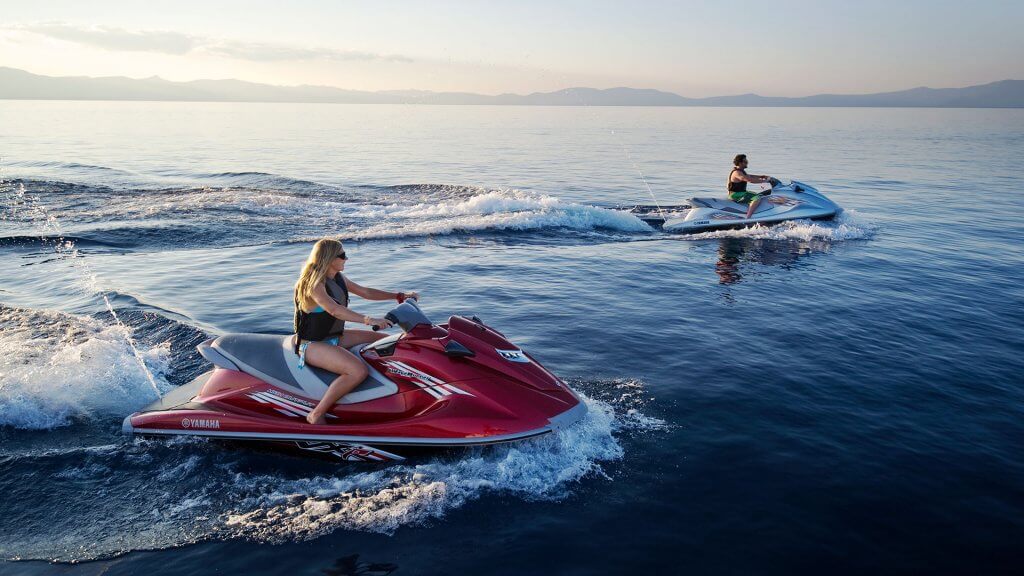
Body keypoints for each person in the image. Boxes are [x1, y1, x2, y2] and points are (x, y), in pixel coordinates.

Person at [293, 238, 419, 425]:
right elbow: (334, 310)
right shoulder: (313, 285)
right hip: (311, 345)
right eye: (342, 255)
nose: (347, 258)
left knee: (389, 342)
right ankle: (317, 413)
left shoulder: (337, 277)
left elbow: (365, 292)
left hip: (335, 337)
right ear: (329, 258)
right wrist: (369, 320)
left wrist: (398, 296)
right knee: (357, 371)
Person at [727, 154, 776, 219]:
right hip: (735, 194)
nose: (747, 162)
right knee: (757, 198)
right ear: (740, 163)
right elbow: (749, 180)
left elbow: (750, 176)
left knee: (759, 194)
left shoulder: (741, 171)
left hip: (739, 193)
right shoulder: (737, 173)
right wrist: (765, 181)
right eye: (745, 161)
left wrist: (761, 176)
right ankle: (748, 218)